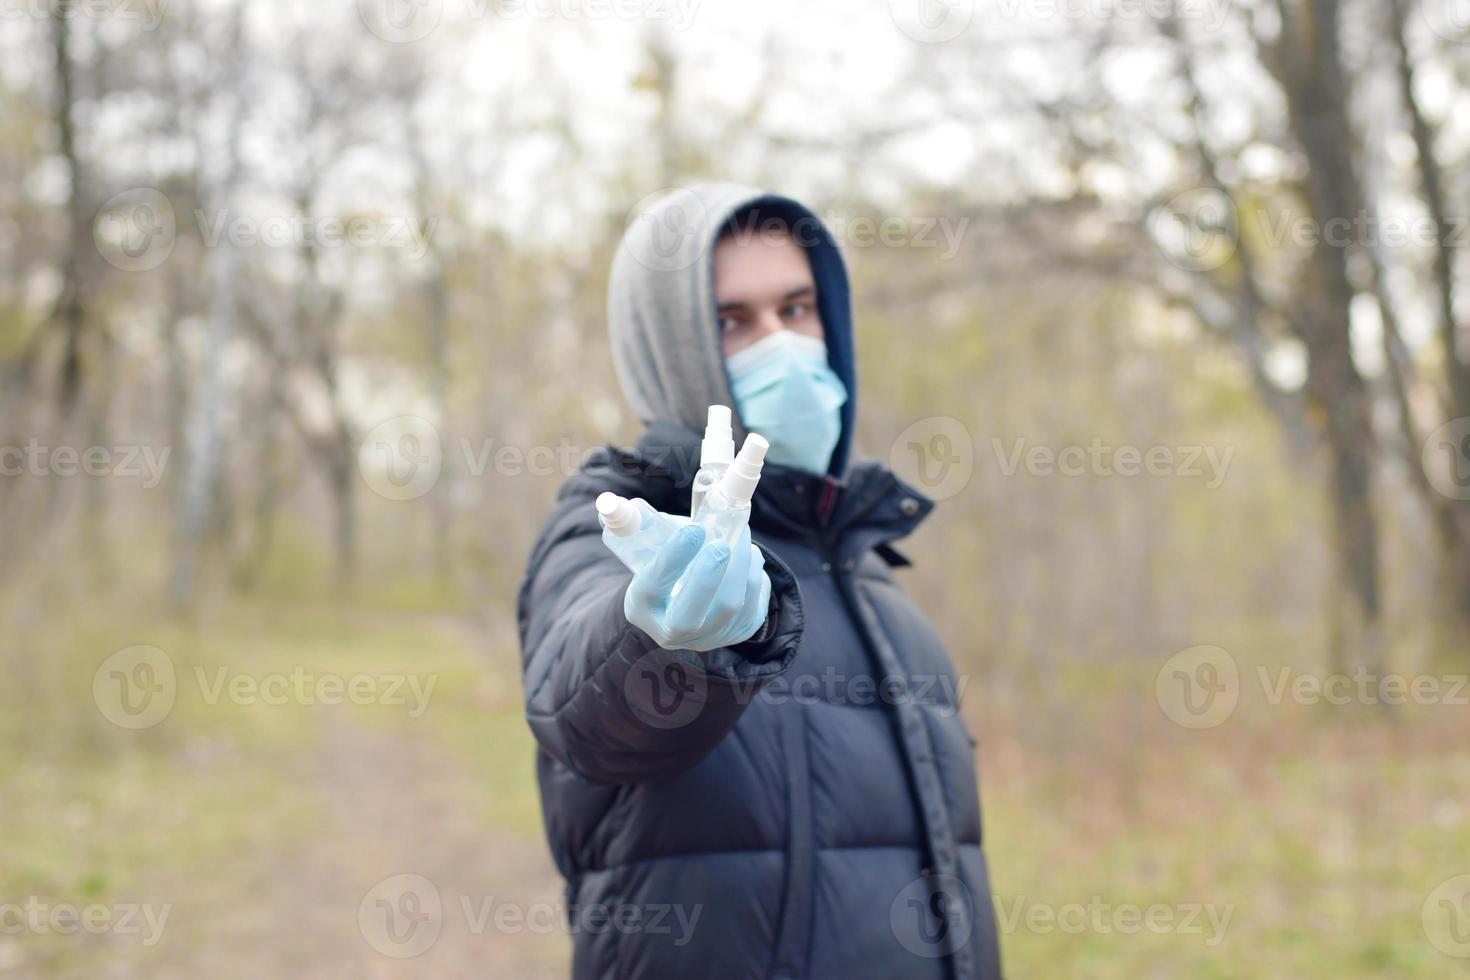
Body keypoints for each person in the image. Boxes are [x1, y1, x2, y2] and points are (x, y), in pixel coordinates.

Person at [517, 183, 1002, 979]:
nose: (780, 342)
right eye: (732, 321)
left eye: (797, 308)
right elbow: (579, 708)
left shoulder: (865, 556)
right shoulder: (626, 524)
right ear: (670, 347)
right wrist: (666, 640)